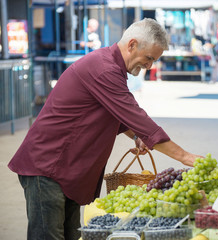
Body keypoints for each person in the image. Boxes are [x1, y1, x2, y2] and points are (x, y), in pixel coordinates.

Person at [8, 18, 203, 240]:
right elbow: (136, 117)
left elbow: (117, 115)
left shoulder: (110, 66)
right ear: (132, 45)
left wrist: (136, 135)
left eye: (154, 61)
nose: (150, 66)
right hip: (47, 166)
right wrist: (185, 157)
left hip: (65, 170)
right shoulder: (104, 69)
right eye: (149, 58)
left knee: (71, 235)